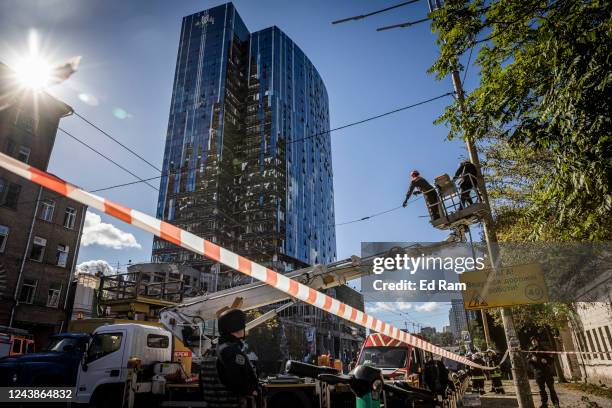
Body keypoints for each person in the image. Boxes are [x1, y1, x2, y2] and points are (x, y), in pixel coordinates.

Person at [200, 308, 260, 408]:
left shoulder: (209, 352)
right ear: (238, 328)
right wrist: (254, 392)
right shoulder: (232, 351)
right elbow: (240, 383)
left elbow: (202, 387)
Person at [528, 337, 560, 408]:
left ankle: (556, 403)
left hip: (546, 372)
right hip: (538, 373)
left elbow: (551, 359)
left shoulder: (543, 349)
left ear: (537, 341)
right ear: (531, 342)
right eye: (532, 341)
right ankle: (544, 404)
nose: (534, 342)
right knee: (541, 390)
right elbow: (528, 361)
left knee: (551, 388)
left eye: (535, 340)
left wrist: (546, 361)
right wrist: (531, 359)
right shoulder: (530, 351)